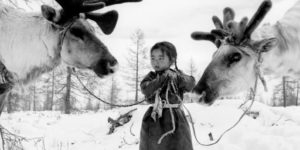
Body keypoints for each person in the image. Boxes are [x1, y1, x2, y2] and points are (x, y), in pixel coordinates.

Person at [139, 41, 195, 150]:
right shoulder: (151, 76)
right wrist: (161, 79)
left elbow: (191, 83)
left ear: (172, 60)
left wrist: (178, 77)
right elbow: (146, 89)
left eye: (161, 58)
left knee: (179, 145)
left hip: (176, 118)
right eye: (153, 58)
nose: (156, 62)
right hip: (155, 119)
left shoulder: (177, 75)